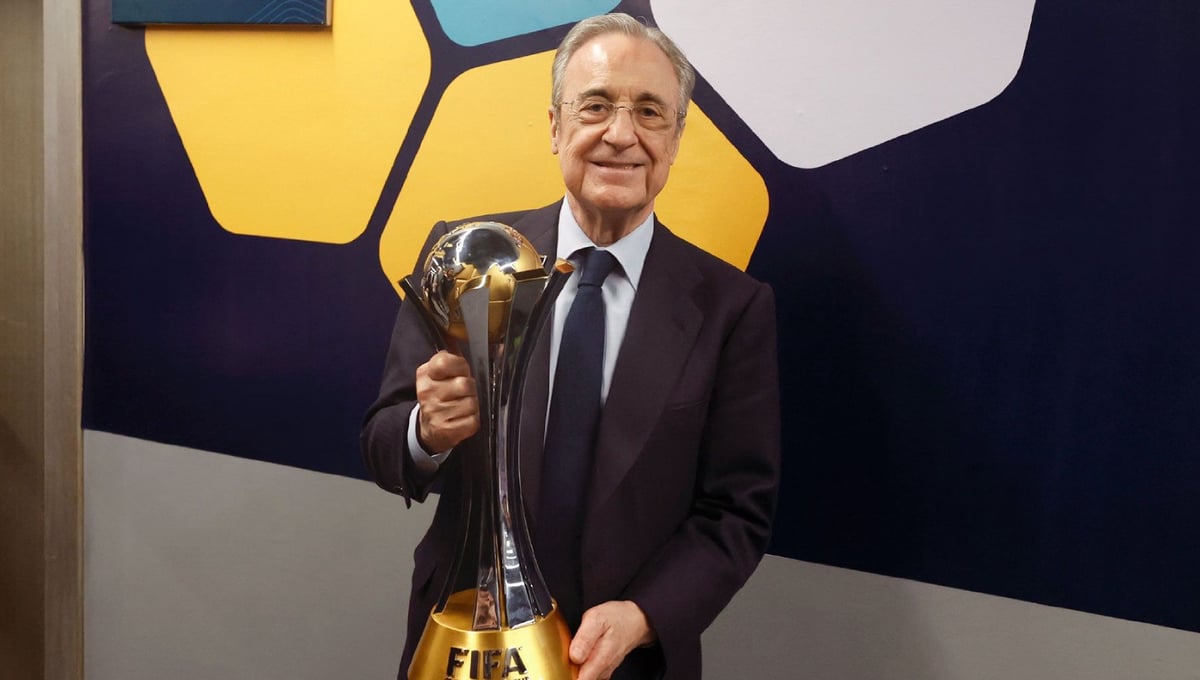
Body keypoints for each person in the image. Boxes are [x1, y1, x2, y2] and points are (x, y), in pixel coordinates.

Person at [361, 13, 781, 680]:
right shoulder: (466, 260)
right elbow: (385, 445)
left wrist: (642, 616)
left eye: (650, 112)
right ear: (556, 126)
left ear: (675, 141)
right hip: (466, 646)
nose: (621, 134)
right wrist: (427, 432)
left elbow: (736, 514)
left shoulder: (733, 309)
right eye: (596, 106)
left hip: (625, 663)